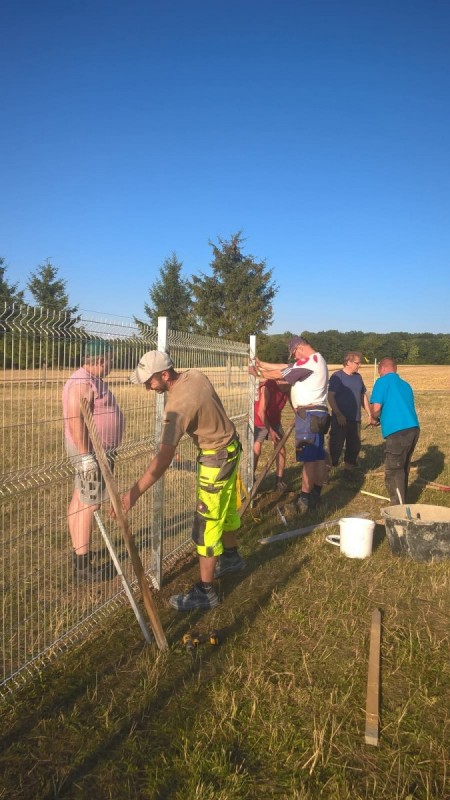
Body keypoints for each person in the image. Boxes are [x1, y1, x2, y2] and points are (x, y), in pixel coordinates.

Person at [117, 350, 244, 612]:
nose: (147, 387)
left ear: (164, 374)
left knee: (206, 525)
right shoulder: (195, 375)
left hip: (215, 460)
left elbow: (163, 459)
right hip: (231, 449)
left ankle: (205, 592)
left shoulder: (176, 407)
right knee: (226, 509)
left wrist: (133, 493)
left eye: (149, 381)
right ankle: (231, 558)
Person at [63, 339, 125, 580]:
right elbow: (74, 419)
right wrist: (85, 455)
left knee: (80, 499)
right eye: (110, 359)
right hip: (91, 452)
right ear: (101, 360)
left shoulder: (91, 379)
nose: (112, 364)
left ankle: (79, 551)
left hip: (99, 451)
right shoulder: (81, 382)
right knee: (91, 503)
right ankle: (82, 565)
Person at [252, 335, 329, 512]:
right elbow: (285, 367)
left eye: (294, 353)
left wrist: (257, 372)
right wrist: (262, 363)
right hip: (318, 413)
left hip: (308, 414)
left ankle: (304, 500)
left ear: (300, 348)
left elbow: (280, 373)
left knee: (308, 459)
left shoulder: (309, 363)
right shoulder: (317, 359)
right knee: (317, 457)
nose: (294, 358)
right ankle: (316, 495)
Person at [370, 357, 420, 505]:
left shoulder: (382, 381)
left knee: (393, 470)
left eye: (379, 370)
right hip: (413, 429)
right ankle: (401, 500)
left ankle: (397, 508)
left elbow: (376, 408)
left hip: (398, 431)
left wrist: (373, 418)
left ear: (383, 368)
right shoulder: (406, 385)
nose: (379, 373)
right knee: (403, 467)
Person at [327, 351, 373, 478]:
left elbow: (362, 395)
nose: (360, 365)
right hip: (340, 419)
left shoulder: (358, 377)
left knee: (354, 446)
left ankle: (348, 473)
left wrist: (369, 413)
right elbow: (330, 397)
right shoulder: (338, 377)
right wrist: (339, 414)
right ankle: (326, 474)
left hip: (355, 420)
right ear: (348, 362)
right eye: (357, 363)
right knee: (335, 446)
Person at [253, 378, 289, 491]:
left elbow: (294, 404)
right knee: (257, 449)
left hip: (274, 420)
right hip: (259, 420)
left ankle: (279, 481)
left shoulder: (289, 387)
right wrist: (270, 430)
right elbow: (260, 411)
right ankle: (250, 479)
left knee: (281, 449)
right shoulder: (267, 387)